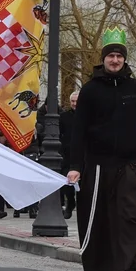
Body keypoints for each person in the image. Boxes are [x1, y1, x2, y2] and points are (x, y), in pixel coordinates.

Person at [68, 28, 136, 271]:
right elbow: (79, 133)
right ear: (104, 58)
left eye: (119, 56)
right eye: (111, 56)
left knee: (134, 217)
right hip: (97, 166)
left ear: (124, 60)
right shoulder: (90, 91)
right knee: (100, 220)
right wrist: (75, 167)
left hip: (130, 164)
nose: (115, 60)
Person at [60, 91, 78, 219]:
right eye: (72, 101)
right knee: (67, 182)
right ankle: (70, 203)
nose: (74, 104)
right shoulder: (64, 116)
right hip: (67, 153)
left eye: (77, 101)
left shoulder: (89, 116)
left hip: (84, 153)